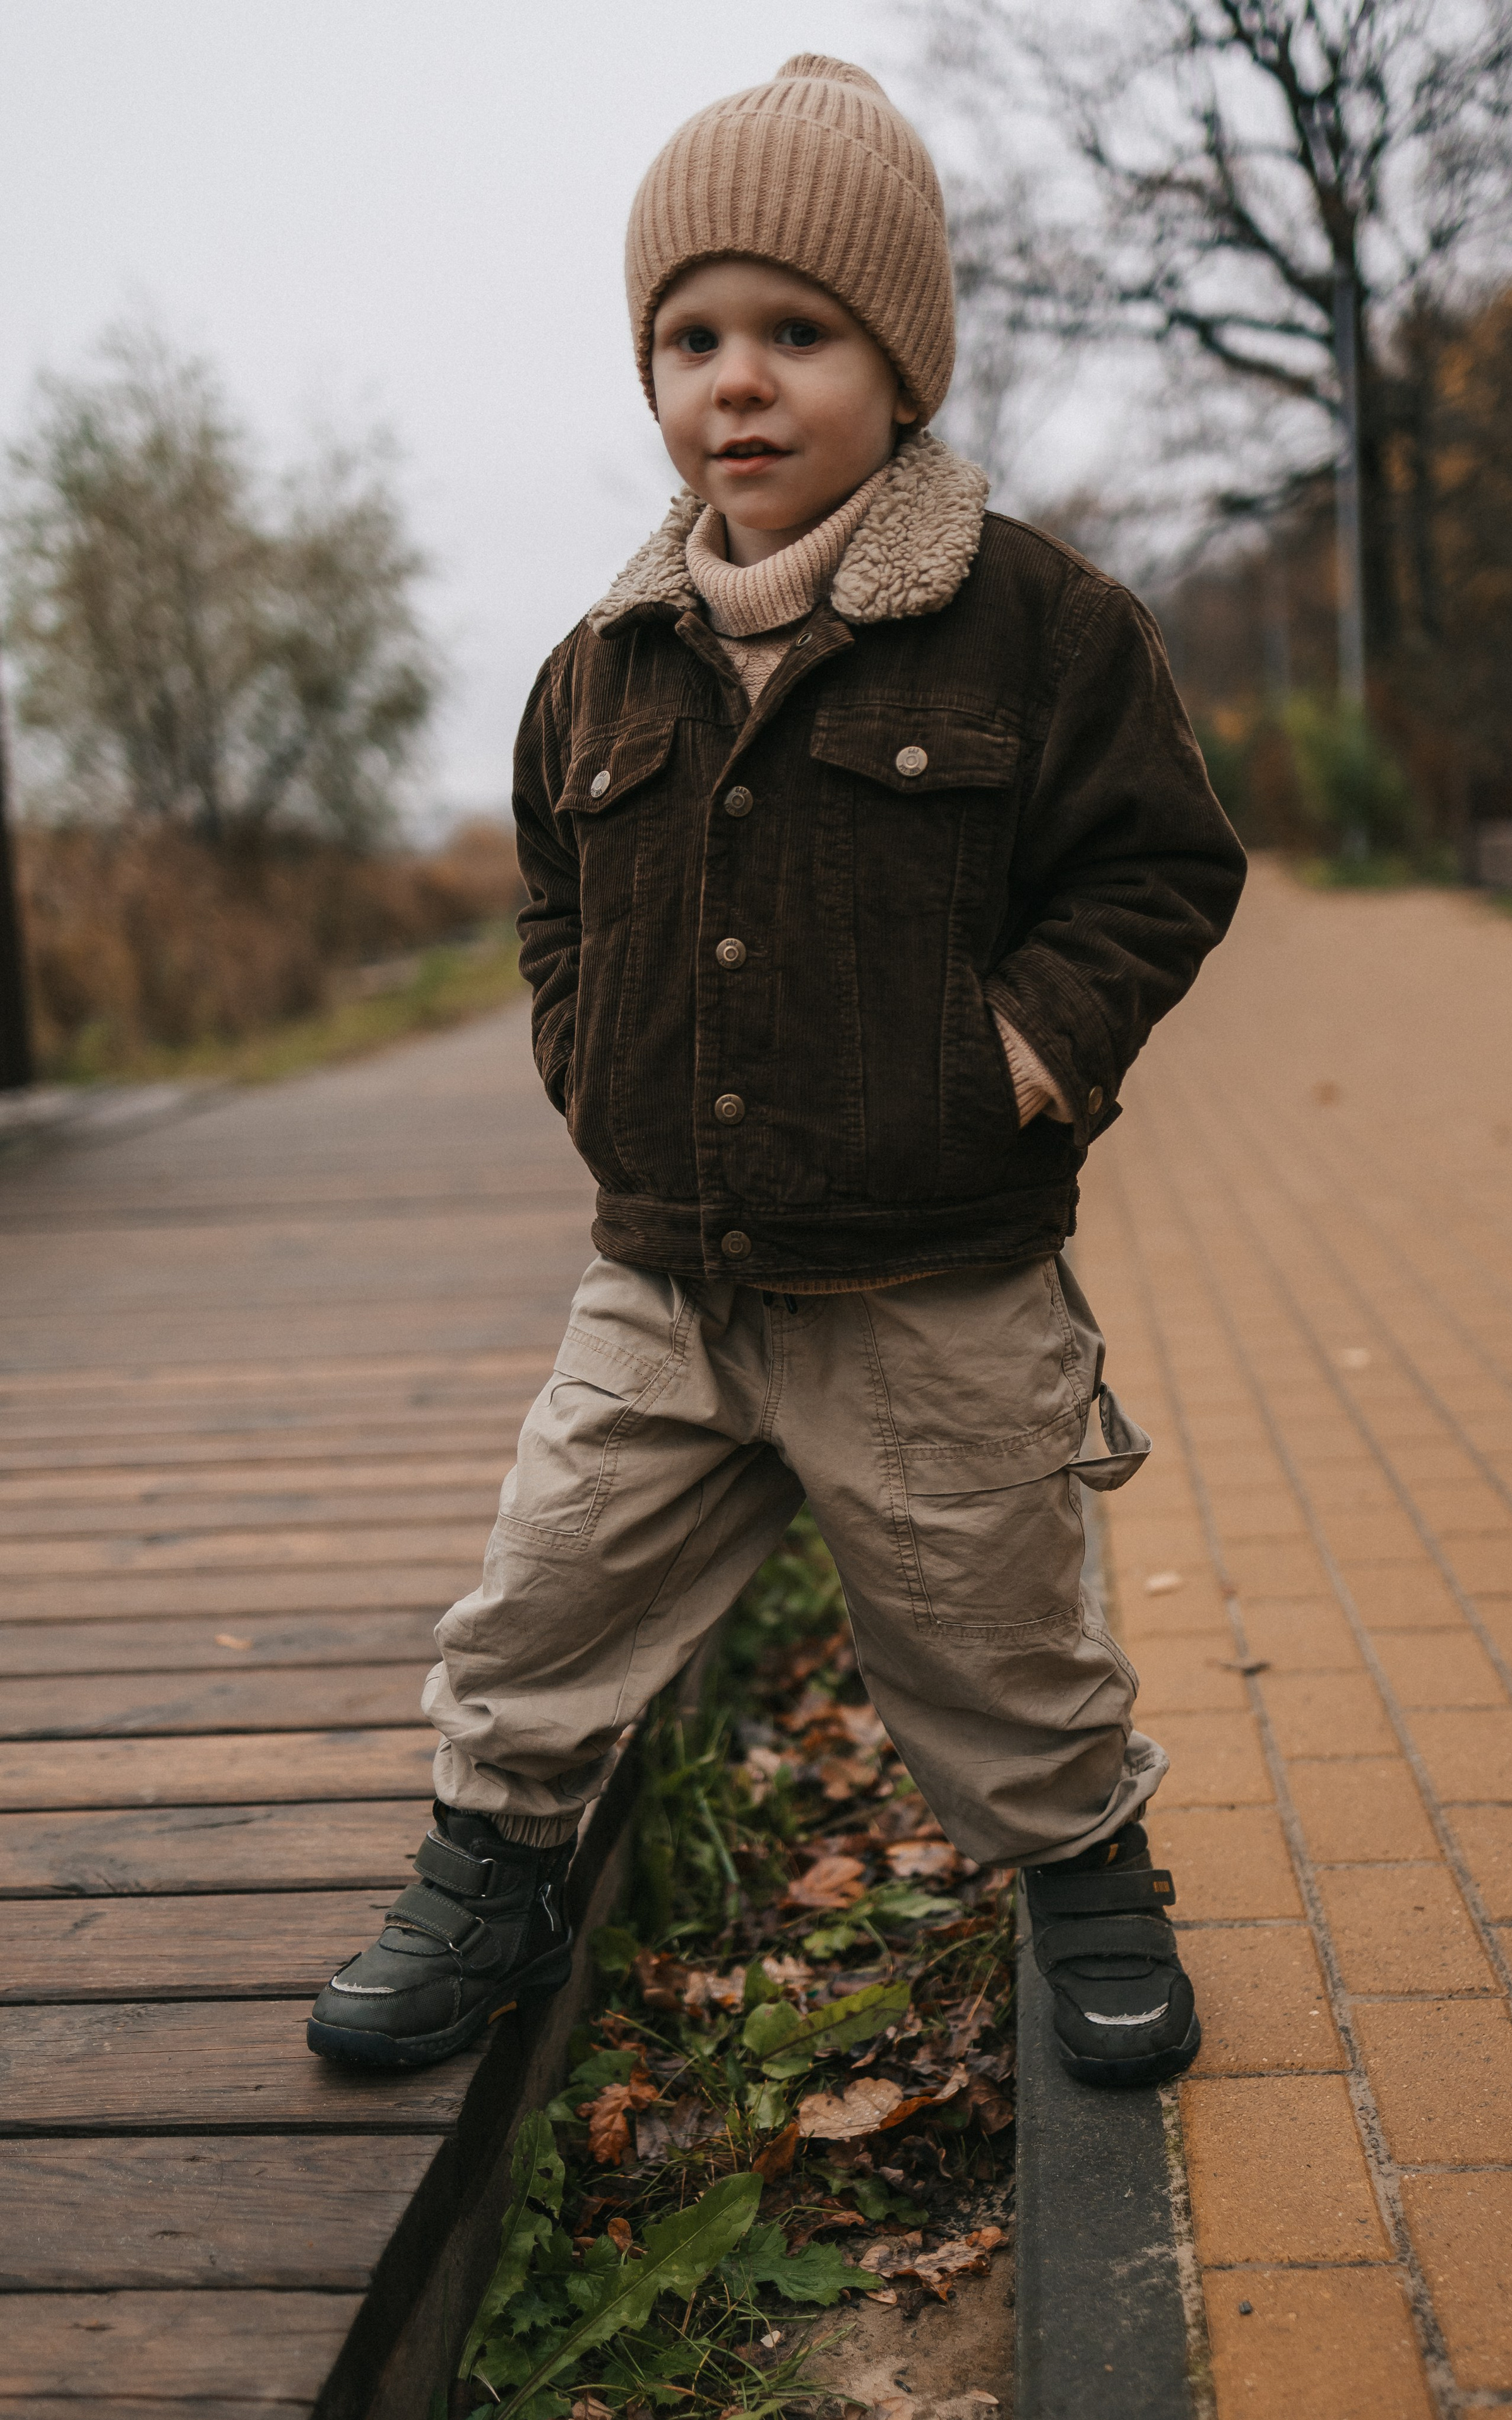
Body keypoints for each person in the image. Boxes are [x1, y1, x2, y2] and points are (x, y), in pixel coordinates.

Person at [307, 54, 1246, 2087]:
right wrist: (586, 1057)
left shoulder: (1037, 626)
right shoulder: (605, 658)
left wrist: (1015, 1056)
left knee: (997, 1627)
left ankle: (1082, 1867)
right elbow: (556, 894)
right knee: (544, 1592)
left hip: (932, 1278)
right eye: (691, 336)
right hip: (665, 1271)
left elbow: (1161, 866)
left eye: (796, 335)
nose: (737, 381)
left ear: (898, 365)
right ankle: (493, 1861)